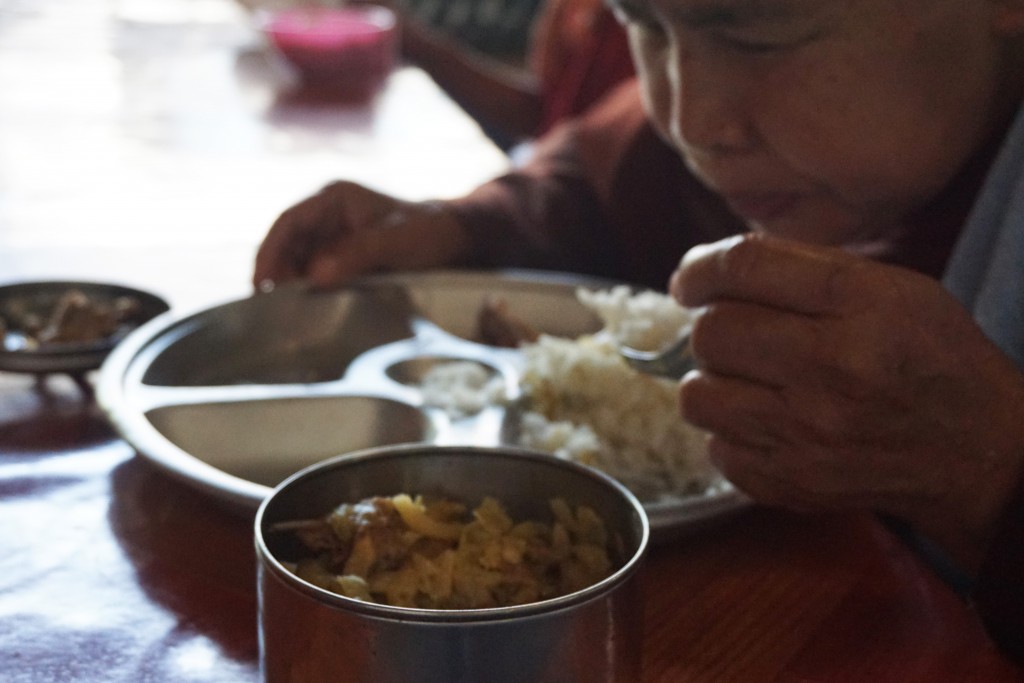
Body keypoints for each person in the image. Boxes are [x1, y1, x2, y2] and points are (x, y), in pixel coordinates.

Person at [253, 0, 1024, 662]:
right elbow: (602, 179)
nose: (693, 120)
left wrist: (992, 473)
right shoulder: (782, 141)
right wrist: (462, 229)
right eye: (643, 26)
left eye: (759, 37)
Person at [381, 0, 636, 149]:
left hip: (587, 210)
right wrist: (415, 44)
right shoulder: (575, 9)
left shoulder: (637, 24)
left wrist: (419, 46)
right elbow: (542, 114)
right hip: (550, 176)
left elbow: (539, 121)